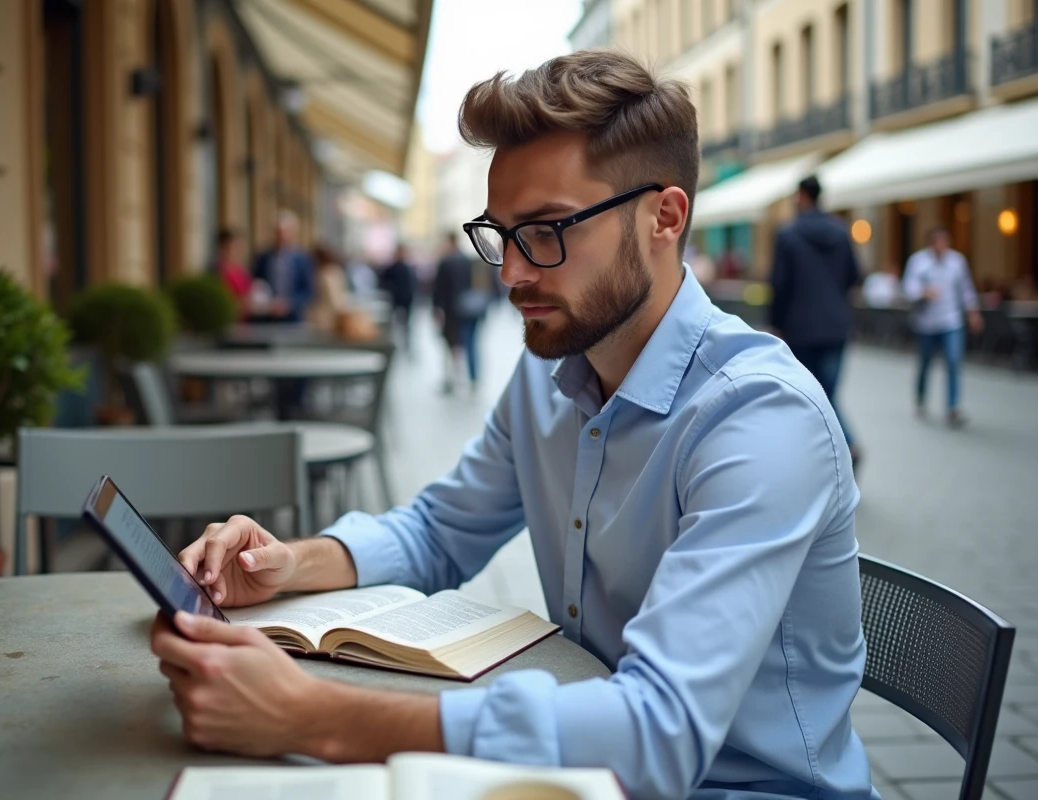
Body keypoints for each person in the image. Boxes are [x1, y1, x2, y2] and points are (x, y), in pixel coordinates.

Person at [150, 50, 873, 800]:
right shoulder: (550, 373)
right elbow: (440, 531)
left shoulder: (758, 417)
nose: (512, 275)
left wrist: (308, 716)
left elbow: (658, 732)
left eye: (549, 231)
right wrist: (284, 565)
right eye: (501, 234)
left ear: (664, 217)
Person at [770, 175, 863, 470]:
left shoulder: (789, 235)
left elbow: (780, 285)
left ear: (802, 197)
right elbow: (854, 277)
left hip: (800, 328)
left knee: (810, 394)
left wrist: (776, 323)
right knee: (827, 392)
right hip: (837, 325)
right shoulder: (841, 232)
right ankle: (834, 453)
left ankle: (844, 445)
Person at [901, 225, 983, 426]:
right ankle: (920, 398)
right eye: (937, 241)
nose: (940, 246)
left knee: (953, 361)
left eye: (944, 241)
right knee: (925, 363)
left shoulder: (957, 261)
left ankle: (953, 407)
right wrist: (923, 291)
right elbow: (907, 288)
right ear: (930, 243)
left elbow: (966, 289)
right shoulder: (918, 261)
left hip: (951, 320)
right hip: (926, 322)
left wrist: (973, 312)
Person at [432, 232, 493, 393]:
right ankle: (473, 379)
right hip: (473, 310)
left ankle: (453, 380)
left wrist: (436, 310)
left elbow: (439, 291)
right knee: (472, 344)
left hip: (453, 312)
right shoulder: (470, 261)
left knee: (452, 346)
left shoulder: (446, 262)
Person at [253, 211, 315, 323]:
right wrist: (268, 303)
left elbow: (308, 290)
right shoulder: (263, 257)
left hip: (292, 317)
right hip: (267, 316)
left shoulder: (302, 259)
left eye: (285, 232)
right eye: (278, 232)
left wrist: (290, 304)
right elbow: (257, 283)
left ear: (293, 233)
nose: (281, 236)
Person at [378, 244, 417, 355]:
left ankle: (407, 344)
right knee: (393, 324)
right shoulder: (391, 269)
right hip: (395, 299)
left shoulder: (408, 268)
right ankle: (394, 344)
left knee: (407, 325)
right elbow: (383, 283)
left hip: (407, 299)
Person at [215, 228, 253, 314]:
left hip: (246, 319)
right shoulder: (218, 270)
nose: (237, 250)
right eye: (234, 246)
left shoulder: (242, 270)